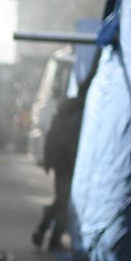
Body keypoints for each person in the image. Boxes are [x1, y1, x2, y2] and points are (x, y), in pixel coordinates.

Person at [33, 94, 85, 250]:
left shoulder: (62, 111)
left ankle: (45, 231)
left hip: (61, 163)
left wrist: (48, 161)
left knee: (62, 200)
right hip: (70, 164)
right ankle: (51, 237)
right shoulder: (82, 113)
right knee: (64, 202)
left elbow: (51, 136)